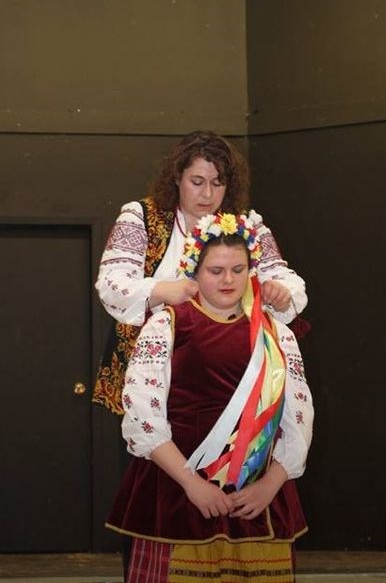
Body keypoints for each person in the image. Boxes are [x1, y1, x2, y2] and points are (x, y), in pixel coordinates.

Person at [106, 213, 314, 582]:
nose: (228, 280)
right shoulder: (166, 325)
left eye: (238, 269)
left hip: (257, 499)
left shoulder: (277, 334)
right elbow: (142, 417)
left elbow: (298, 417)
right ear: (194, 271)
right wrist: (192, 485)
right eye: (216, 271)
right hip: (180, 491)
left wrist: (271, 484)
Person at [93, 130, 308, 416]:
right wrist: (164, 290)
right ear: (177, 178)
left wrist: (281, 293)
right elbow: (111, 284)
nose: (207, 194)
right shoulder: (140, 218)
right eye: (197, 182)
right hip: (153, 378)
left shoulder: (246, 225)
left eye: (218, 183)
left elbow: (286, 280)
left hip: (224, 380)